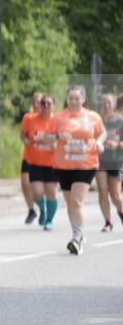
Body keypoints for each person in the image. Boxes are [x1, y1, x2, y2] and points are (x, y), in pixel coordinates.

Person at [45, 86, 106, 254]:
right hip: (64, 165)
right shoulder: (58, 117)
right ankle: (77, 233)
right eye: (70, 98)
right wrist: (58, 137)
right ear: (67, 99)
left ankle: (76, 238)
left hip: (86, 164)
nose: (73, 101)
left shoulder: (93, 117)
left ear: (83, 99)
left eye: (77, 98)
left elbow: (103, 133)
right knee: (70, 202)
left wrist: (100, 142)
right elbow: (46, 136)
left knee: (77, 201)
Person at [24, 94, 59, 231]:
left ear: (53, 106)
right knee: (37, 193)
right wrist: (26, 140)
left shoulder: (57, 121)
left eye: (48, 103)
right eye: (43, 103)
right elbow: (24, 134)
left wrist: (53, 143)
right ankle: (43, 209)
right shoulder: (31, 119)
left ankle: (49, 220)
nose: (45, 106)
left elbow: (62, 139)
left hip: (52, 163)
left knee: (51, 192)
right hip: (35, 162)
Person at [95, 93, 123, 231]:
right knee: (102, 191)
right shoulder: (97, 120)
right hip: (100, 160)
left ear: (114, 105)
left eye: (109, 103)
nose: (106, 105)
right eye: (104, 102)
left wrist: (117, 145)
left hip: (117, 160)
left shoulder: (121, 121)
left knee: (115, 194)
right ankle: (108, 222)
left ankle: (121, 211)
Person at [19, 93, 43, 224]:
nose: (36, 104)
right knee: (25, 183)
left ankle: (44, 208)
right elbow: (22, 135)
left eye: (38, 102)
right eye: (34, 102)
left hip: (44, 158)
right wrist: (26, 140)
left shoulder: (49, 118)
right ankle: (31, 210)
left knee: (39, 187)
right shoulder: (28, 118)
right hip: (29, 156)